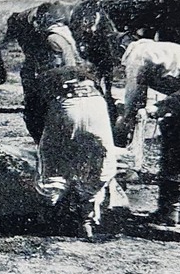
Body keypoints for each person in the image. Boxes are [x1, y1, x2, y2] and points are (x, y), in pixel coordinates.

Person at [35, 20, 119, 238]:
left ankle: (49, 210)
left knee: (52, 158)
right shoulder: (79, 47)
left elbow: (45, 85)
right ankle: (87, 218)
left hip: (67, 104)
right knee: (100, 161)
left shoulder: (48, 45)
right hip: (96, 103)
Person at [117, 36, 180, 226]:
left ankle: (170, 211)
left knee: (176, 152)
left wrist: (126, 120)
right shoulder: (160, 48)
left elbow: (134, 92)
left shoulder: (137, 55)